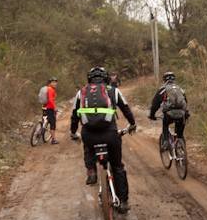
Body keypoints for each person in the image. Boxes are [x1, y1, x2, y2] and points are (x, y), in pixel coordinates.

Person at [70, 66, 136, 211]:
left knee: (87, 146)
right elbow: (126, 109)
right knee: (117, 167)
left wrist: (73, 132)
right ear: (106, 78)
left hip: (89, 134)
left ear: (89, 79)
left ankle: (91, 170)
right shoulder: (113, 90)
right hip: (110, 134)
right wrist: (132, 124)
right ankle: (123, 202)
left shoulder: (81, 93)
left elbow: (74, 116)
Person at [148, 71, 189, 149]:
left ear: (164, 80)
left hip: (169, 114)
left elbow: (155, 104)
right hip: (181, 114)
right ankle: (181, 147)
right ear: (174, 79)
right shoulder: (180, 89)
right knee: (179, 134)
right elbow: (185, 102)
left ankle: (166, 141)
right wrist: (186, 113)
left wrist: (152, 115)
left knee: (165, 124)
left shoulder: (162, 90)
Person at [36, 77, 59, 144]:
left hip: (44, 107)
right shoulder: (51, 89)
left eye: (55, 82)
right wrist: (54, 108)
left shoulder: (47, 89)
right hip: (50, 108)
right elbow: (51, 100)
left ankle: (41, 130)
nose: (55, 83)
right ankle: (53, 140)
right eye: (53, 82)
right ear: (50, 83)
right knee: (53, 124)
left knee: (45, 120)